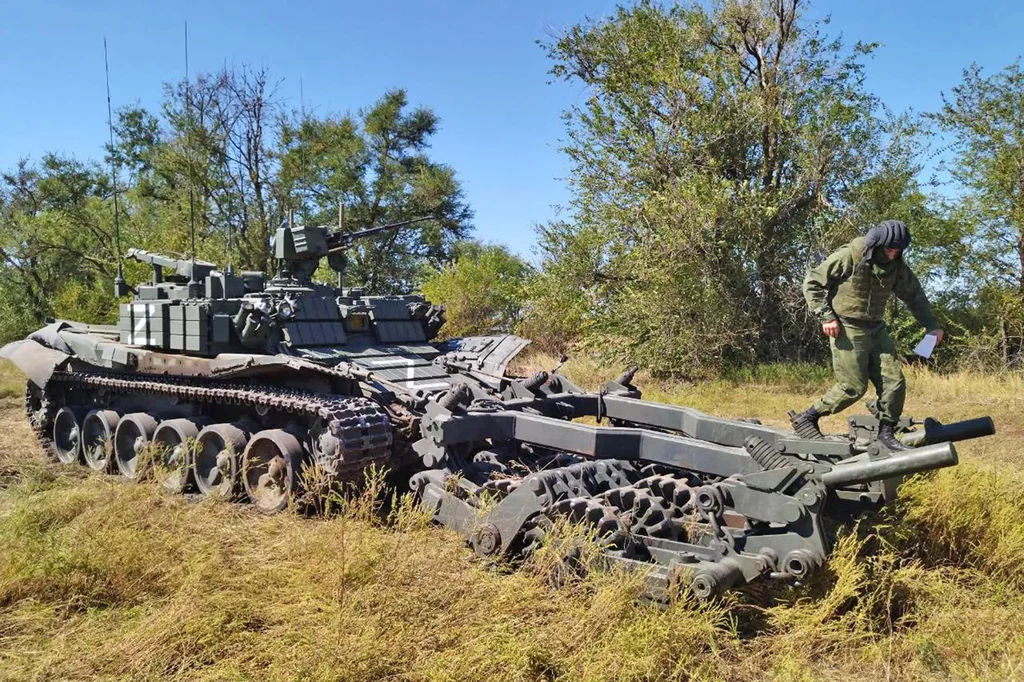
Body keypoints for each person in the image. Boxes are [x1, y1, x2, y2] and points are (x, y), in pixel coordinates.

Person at [790, 220, 944, 450]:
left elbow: (914, 295)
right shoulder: (850, 255)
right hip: (846, 327)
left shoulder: (897, 267)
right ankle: (807, 417)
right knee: (853, 387)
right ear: (876, 244)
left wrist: (932, 326)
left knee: (895, 382)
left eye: (897, 251)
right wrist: (826, 317)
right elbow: (812, 282)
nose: (892, 255)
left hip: (876, 328)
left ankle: (886, 432)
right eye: (888, 250)